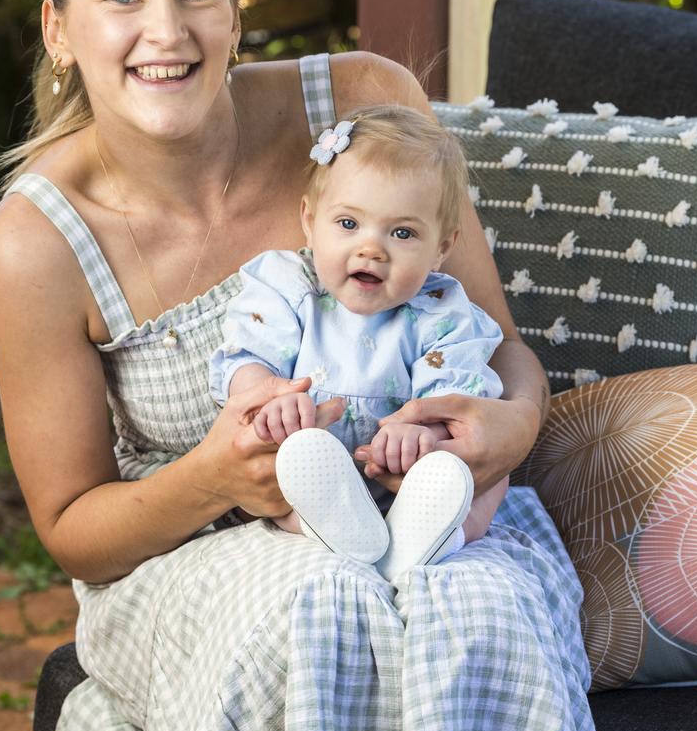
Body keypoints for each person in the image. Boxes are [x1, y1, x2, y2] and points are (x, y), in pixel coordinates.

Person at [0, 0, 606, 731]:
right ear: (61, 29)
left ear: (234, 9)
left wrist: (509, 426)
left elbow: (498, 345)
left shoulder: (362, 103)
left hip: (425, 505)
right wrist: (211, 476)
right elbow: (74, 530)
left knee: (478, 603)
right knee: (320, 602)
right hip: (184, 553)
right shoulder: (35, 243)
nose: (169, 30)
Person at [209, 105, 510, 578]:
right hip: (314, 471)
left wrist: (426, 436)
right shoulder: (289, 287)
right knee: (272, 467)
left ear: (442, 249)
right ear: (310, 220)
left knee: (487, 473)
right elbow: (248, 354)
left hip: (409, 479)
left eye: (403, 232)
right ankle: (324, 529)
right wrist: (268, 400)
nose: (372, 248)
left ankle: (435, 536)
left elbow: (457, 392)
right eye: (348, 224)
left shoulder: (441, 310)